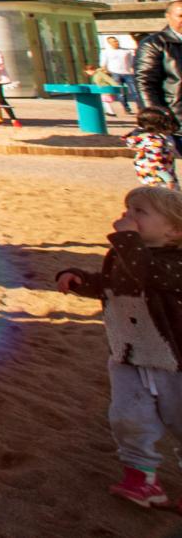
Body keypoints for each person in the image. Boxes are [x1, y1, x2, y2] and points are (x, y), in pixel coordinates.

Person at [56, 187, 182, 508]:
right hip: (129, 354)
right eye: (127, 209)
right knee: (128, 417)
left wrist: (128, 242)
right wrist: (81, 280)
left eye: (140, 212)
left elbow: (147, 277)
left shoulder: (174, 262)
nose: (128, 216)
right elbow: (115, 283)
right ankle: (142, 479)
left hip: (173, 361)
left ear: (174, 229)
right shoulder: (127, 252)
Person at [136, 3, 182, 130]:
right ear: (168, 17)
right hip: (176, 117)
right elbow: (145, 82)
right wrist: (154, 116)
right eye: (180, 16)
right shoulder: (154, 44)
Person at [126, 111, 179, 188]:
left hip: (149, 176)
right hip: (160, 179)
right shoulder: (154, 142)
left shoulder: (143, 138)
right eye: (165, 122)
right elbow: (155, 163)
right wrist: (168, 180)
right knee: (169, 198)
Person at [105, 35, 144, 110]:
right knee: (121, 93)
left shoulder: (126, 51)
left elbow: (132, 61)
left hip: (127, 73)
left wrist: (132, 69)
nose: (116, 43)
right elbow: (103, 64)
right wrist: (107, 73)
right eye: (113, 42)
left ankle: (140, 107)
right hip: (115, 73)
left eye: (116, 41)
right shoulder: (106, 52)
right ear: (109, 43)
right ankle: (126, 107)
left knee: (135, 91)